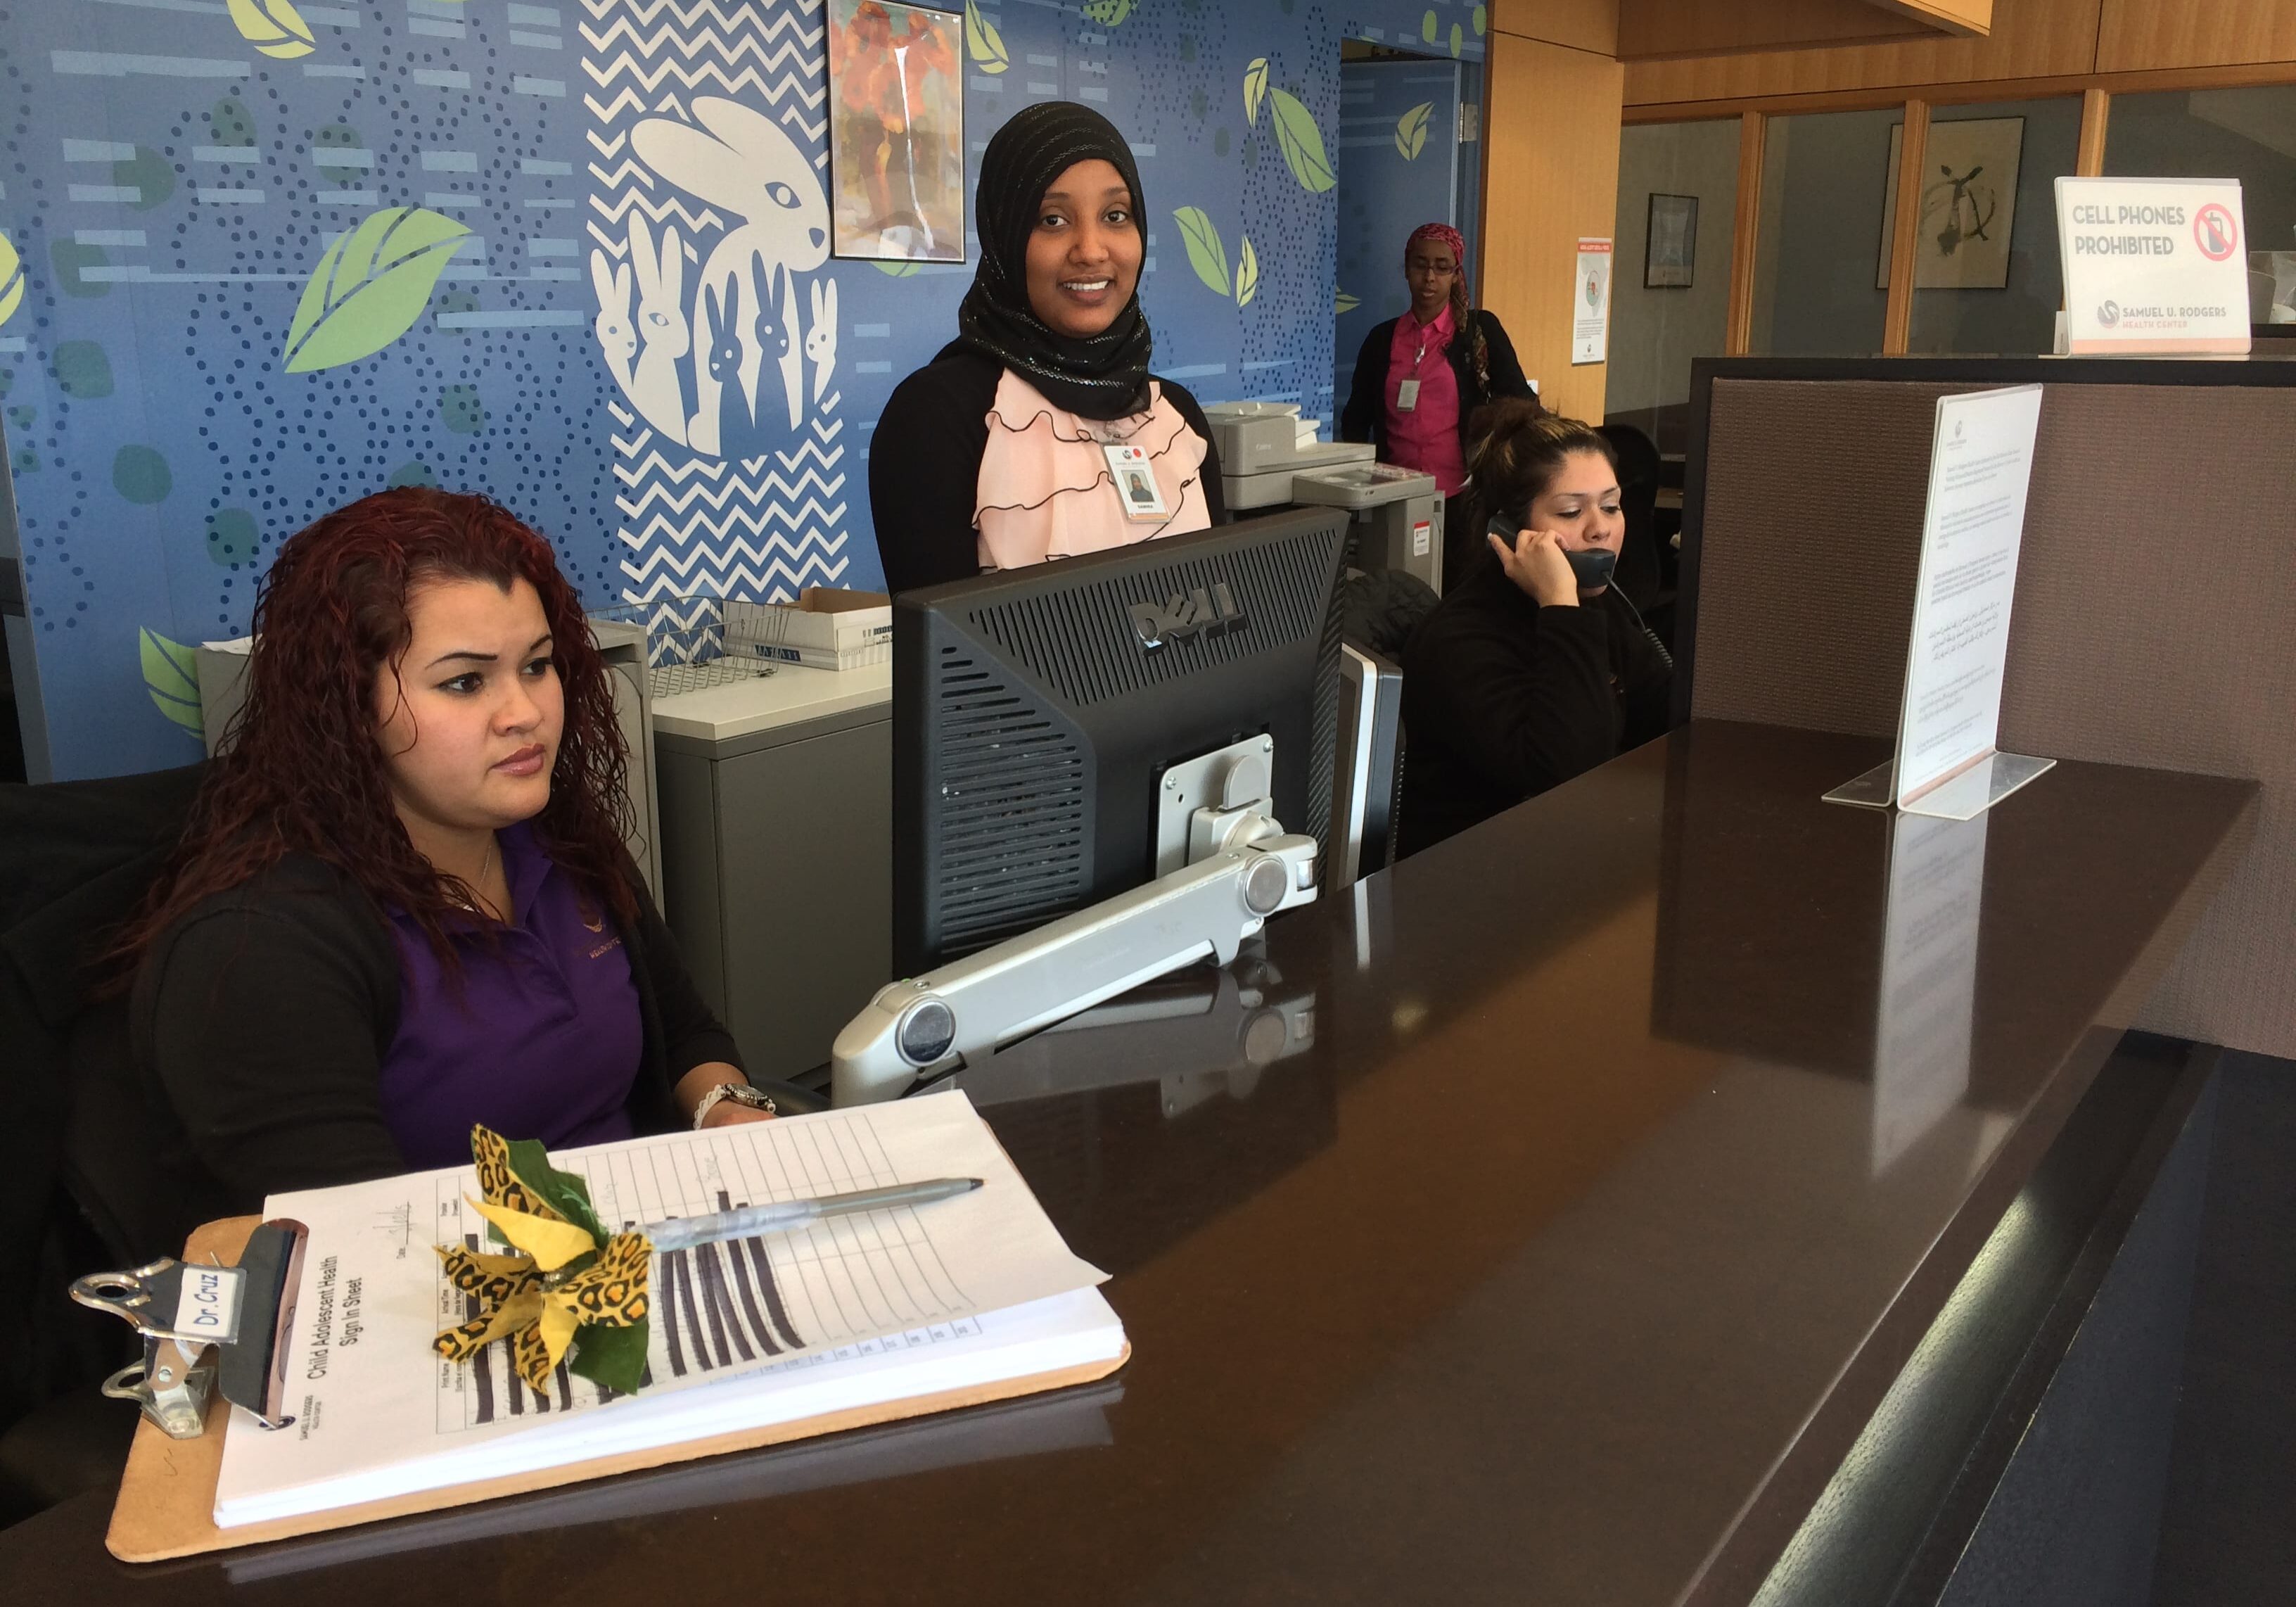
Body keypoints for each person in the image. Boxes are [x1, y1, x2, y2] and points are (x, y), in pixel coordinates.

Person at [115, 488, 779, 1226]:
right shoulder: (265, 946)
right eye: (465, 682)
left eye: (536, 666)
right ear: (350, 709)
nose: (524, 713)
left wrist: (725, 1111)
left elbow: (687, 1034)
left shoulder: (555, 839)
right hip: (463, 1304)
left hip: (649, 1252)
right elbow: (353, 1254)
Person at [869, 101, 1225, 594]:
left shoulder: (1176, 416)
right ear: (1006, 236)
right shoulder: (937, 418)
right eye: (1053, 220)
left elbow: (1222, 627)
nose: (1092, 250)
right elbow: (945, 661)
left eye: (1115, 215)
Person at [1398, 406, 1672, 857]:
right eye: (1570, 511)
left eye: (1611, 505)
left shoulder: (1598, 608)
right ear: (1509, 531)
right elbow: (1569, 777)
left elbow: (1667, 717)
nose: (1600, 528)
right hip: (1469, 882)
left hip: (1568, 862)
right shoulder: (1459, 642)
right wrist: (1560, 604)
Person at [1339, 221, 1535, 585]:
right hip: (1392, 499)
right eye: (1420, 264)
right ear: (1407, 269)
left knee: (1458, 596)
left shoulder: (1478, 332)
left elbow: (1523, 404)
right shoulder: (1382, 340)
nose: (1429, 277)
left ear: (1456, 273)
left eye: (1442, 267)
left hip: (1463, 501)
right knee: (1396, 593)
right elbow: (1355, 418)